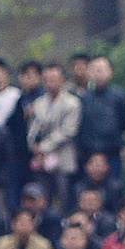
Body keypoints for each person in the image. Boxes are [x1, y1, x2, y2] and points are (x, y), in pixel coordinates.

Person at [25, 62, 80, 209]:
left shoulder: (72, 103)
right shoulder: (39, 103)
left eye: (54, 79)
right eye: (47, 80)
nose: (50, 83)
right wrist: (34, 146)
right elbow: (33, 128)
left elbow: (68, 131)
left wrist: (43, 147)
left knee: (63, 199)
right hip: (41, 160)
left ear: (62, 80)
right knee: (42, 198)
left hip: (62, 158)